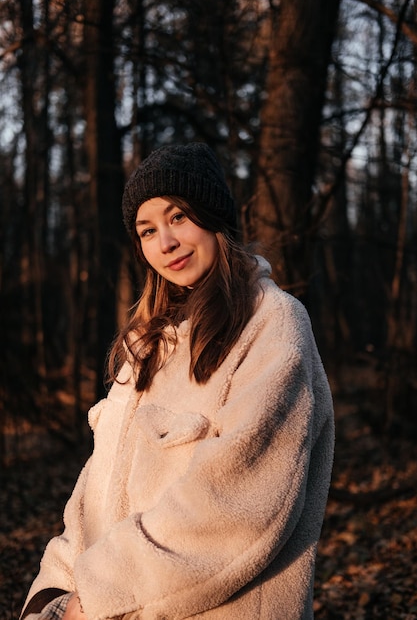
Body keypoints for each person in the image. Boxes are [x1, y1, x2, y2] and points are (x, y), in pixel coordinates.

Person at [21, 143, 334, 620]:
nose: (164, 242)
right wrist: (51, 594)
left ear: (213, 219)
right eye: (148, 230)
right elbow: (93, 493)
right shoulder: (146, 345)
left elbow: (236, 504)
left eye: (179, 218)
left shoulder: (273, 324)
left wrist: (94, 597)